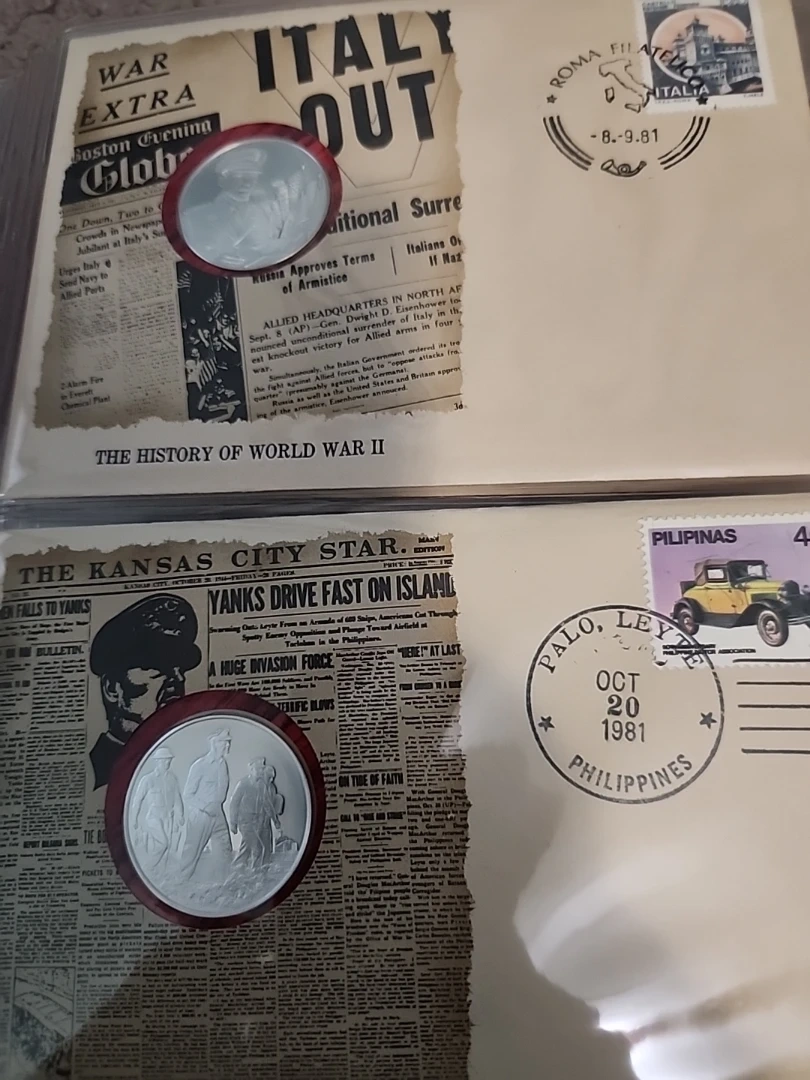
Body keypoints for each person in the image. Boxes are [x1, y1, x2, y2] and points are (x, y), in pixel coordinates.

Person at [88, 595, 202, 789]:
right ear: (112, 688)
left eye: (179, 667)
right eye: (157, 667)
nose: (178, 678)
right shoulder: (96, 771)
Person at [184, 146, 287, 268]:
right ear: (222, 180)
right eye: (239, 176)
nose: (248, 183)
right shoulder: (194, 217)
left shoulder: (265, 212)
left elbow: (270, 246)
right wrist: (215, 261)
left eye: (252, 176)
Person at [178, 729, 232, 879]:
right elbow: (188, 795)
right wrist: (205, 807)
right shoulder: (200, 765)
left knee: (224, 849)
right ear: (214, 743)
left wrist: (216, 806)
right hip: (201, 815)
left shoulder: (222, 764)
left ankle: (223, 882)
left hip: (218, 812)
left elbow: (222, 790)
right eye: (224, 742)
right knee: (192, 851)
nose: (227, 745)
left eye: (228, 742)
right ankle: (182, 881)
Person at [130, 746, 184, 872]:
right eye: (164, 760)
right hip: (153, 817)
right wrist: (134, 819)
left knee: (167, 846)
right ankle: (147, 868)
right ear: (157, 761)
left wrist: (180, 815)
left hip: (168, 817)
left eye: (169, 760)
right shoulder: (148, 779)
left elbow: (177, 799)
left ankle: (161, 873)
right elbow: (137, 800)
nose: (167, 762)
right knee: (163, 843)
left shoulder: (172, 779)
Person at [229, 757, 284, 868]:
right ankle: (248, 870)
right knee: (257, 848)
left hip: (258, 821)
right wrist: (233, 823)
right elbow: (234, 803)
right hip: (246, 822)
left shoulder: (262, 785)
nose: (261, 771)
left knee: (248, 848)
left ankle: (243, 869)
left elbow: (267, 804)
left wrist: (275, 820)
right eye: (258, 769)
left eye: (262, 769)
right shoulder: (243, 784)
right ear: (251, 769)